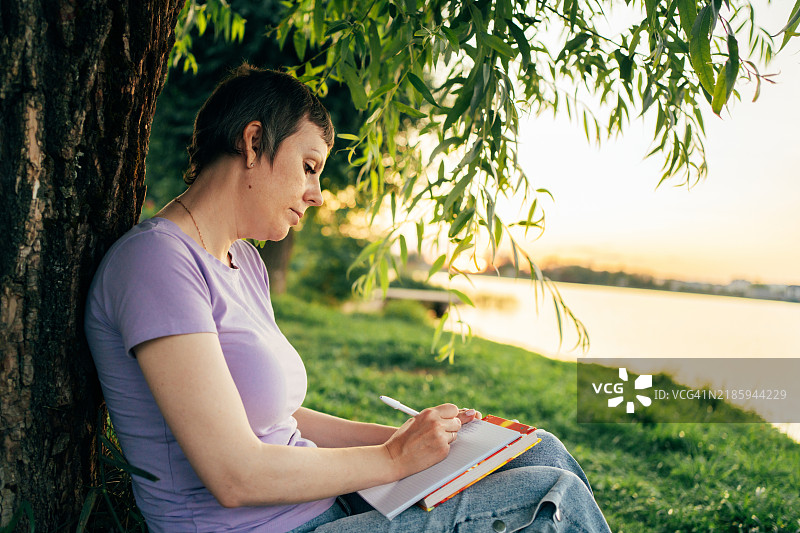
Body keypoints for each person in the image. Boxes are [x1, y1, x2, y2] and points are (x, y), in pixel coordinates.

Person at [84, 63, 611, 533]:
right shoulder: (156, 263)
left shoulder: (242, 263)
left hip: (319, 504)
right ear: (252, 142)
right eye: (309, 166)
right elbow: (235, 475)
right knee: (549, 495)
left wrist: (421, 440)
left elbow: (280, 421)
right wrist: (394, 457)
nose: (316, 193)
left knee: (539, 451)